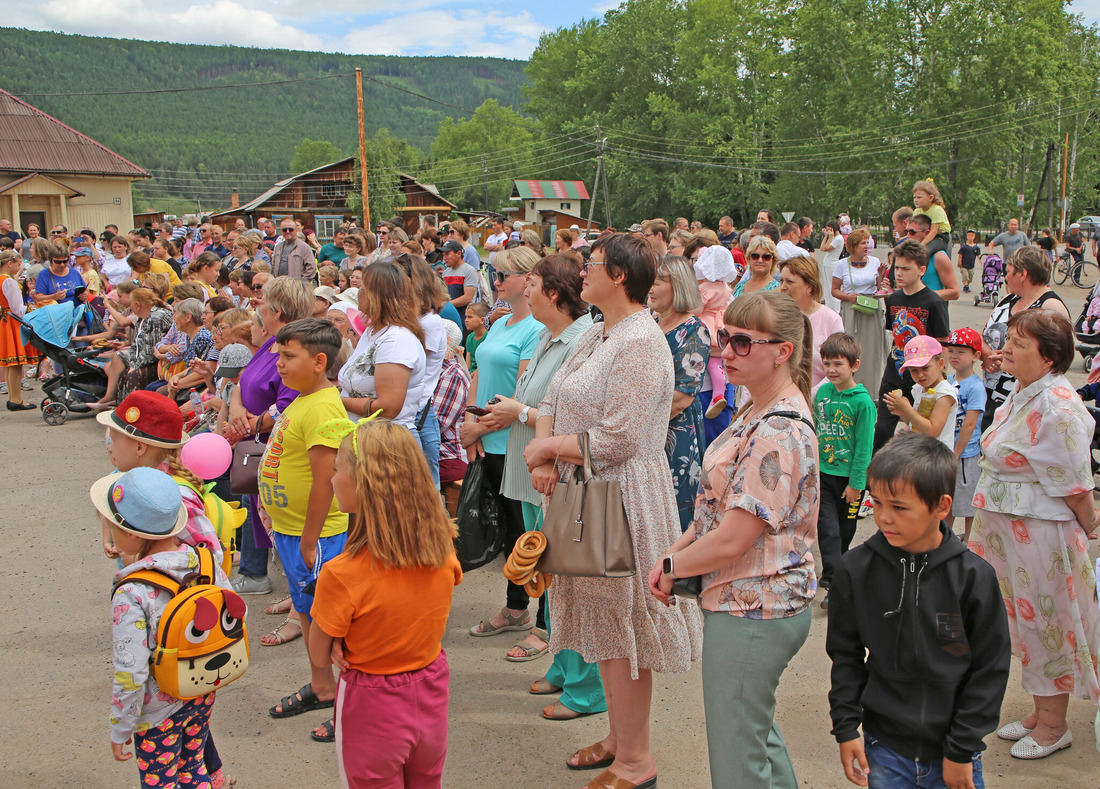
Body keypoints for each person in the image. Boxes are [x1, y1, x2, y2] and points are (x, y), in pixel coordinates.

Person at [527, 234, 701, 788]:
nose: (582, 275)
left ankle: (636, 761)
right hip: (587, 492)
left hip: (621, 495)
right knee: (605, 627)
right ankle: (621, 740)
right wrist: (546, 453)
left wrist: (549, 449)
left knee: (625, 629)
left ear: (621, 275)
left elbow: (620, 437)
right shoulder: (601, 333)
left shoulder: (641, 341)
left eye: (592, 265)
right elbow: (553, 395)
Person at [651, 291, 817, 789]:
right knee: (754, 736)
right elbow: (715, 514)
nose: (727, 350)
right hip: (750, 598)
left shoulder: (775, 429)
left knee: (737, 758)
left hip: (754, 605)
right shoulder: (756, 408)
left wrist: (670, 567)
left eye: (743, 342)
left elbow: (733, 538)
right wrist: (675, 556)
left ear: (782, 350)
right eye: (726, 337)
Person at [827, 432, 1011, 789]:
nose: (883, 518)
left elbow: (990, 668)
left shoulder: (973, 577)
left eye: (898, 507)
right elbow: (845, 654)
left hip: (955, 752)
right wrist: (846, 727)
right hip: (885, 747)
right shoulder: (855, 570)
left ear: (941, 506)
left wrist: (961, 750)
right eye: (876, 502)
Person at [971, 309, 1100, 760]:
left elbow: (1077, 484)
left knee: (1048, 625)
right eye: (1009, 339)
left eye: (1019, 344)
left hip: (1041, 536)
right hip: (1011, 532)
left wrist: (1088, 528)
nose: (1007, 348)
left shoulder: (1060, 405)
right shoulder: (1026, 392)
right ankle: (1040, 709)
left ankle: (1053, 724)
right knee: (1024, 624)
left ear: (1048, 358)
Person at [309, 417, 462, 785]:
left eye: (337, 470)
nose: (331, 479)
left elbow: (318, 652)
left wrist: (334, 645)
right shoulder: (442, 550)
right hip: (431, 686)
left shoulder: (341, 574)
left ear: (365, 484)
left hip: (371, 700)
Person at [481, 254, 600, 715]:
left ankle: (586, 687)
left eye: (531, 283)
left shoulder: (580, 341)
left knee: (569, 582)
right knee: (548, 579)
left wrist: (520, 414)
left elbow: (572, 414)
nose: (523, 291)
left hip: (553, 473)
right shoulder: (550, 336)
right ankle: (563, 667)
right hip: (532, 471)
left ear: (553, 293)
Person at [96, 467, 232, 789]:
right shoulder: (204, 562)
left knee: (162, 781)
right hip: (201, 690)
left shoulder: (132, 592)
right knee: (193, 764)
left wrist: (121, 727)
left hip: (157, 710)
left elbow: (131, 672)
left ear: (131, 535)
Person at [262, 319, 350, 742]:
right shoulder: (301, 400)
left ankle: (351, 704)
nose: (278, 364)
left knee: (331, 623)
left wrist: (312, 539)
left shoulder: (323, 407)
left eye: (287, 356)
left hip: (316, 536)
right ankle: (322, 687)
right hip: (292, 531)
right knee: (308, 613)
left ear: (319, 362)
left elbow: (325, 480)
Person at [462, 246, 544, 641]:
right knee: (509, 535)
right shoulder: (500, 323)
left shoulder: (536, 329)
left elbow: (522, 390)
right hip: (488, 440)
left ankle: (543, 620)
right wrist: (468, 420)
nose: (495, 282)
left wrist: (477, 429)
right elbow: (478, 372)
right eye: (493, 275)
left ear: (527, 279)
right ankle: (516, 608)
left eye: (503, 275)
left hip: (513, 441)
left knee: (528, 533)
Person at [225, 277, 315, 598]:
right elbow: (244, 380)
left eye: (262, 303)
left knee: (282, 523)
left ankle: (299, 598)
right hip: (255, 441)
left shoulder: (294, 347)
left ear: (277, 311)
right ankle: (279, 587)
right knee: (258, 511)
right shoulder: (271, 343)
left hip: (276, 448)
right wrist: (236, 409)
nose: (258, 308)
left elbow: (288, 405)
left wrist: (249, 424)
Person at [814, 332, 875, 609]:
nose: (831, 370)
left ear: (855, 365)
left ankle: (841, 580)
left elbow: (864, 448)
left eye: (838, 364)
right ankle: (834, 583)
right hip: (824, 476)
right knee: (828, 530)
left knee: (844, 533)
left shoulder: (862, 402)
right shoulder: (823, 393)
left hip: (850, 482)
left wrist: (857, 484)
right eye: (827, 364)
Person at [647, 255, 708, 532]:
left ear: (679, 287)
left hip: (674, 433)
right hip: (643, 430)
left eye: (658, 281)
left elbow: (683, 396)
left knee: (674, 514)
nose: (650, 287)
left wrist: (638, 416)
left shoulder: (695, 330)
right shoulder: (649, 323)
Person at [980, 246, 1069, 430]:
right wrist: (987, 354)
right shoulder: (1008, 299)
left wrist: (1008, 358)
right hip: (994, 395)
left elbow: (1060, 358)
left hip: (1028, 401)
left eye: (1009, 271)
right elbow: (983, 334)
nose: (1005, 277)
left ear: (1023, 274)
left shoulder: (1050, 306)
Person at [874, 239, 950, 452]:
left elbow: (942, 342)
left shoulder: (933, 302)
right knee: (881, 430)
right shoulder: (892, 299)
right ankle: (872, 482)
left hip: (923, 380)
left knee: (916, 435)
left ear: (921, 270)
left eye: (906, 268)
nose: (899, 273)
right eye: (896, 267)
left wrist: (940, 379)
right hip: (893, 376)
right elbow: (894, 336)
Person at [338, 263, 427, 434]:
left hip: (386, 440)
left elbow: (388, 408)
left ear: (375, 296)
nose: (359, 293)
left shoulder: (396, 340)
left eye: (363, 288)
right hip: (367, 435)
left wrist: (337, 401)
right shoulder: (373, 332)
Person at [940, 328, 987, 543]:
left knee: (968, 505)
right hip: (947, 450)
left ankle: (969, 545)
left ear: (976, 356)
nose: (954, 356)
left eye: (961, 352)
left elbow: (969, 425)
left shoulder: (976, 387)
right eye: (951, 351)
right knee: (947, 501)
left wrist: (955, 453)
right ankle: (943, 543)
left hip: (966, 455)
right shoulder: (947, 381)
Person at [92, 288, 174, 407]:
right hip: (143, 356)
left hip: (156, 359)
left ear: (137, 305)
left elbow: (151, 349)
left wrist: (135, 366)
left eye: (131, 305)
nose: (130, 309)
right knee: (118, 356)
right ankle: (110, 398)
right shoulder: (142, 318)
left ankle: (126, 408)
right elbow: (137, 344)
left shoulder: (156, 317)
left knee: (131, 374)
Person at [831, 227, 888, 394]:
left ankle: (872, 390)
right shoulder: (842, 264)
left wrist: (881, 277)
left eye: (867, 242)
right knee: (851, 348)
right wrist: (849, 297)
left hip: (871, 309)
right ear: (853, 246)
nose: (867, 245)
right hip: (852, 310)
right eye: (863, 242)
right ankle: (849, 386)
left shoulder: (875, 262)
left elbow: (879, 289)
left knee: (872, 350)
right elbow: (834, 290)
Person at [884, 335, 958, 451]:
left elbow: (933, 431)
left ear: (940, 364)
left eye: (925, 368)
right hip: (921, 452)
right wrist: (903, 413)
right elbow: (917, 424)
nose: (920, 374)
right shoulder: (920, 388)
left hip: (937, 457)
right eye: (914, 370)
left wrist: (907, 408)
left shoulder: (944, 394)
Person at [779, 255, 843, 388]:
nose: (783, 287)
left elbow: (840, 366)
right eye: (781, 281)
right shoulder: (774, 318)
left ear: (810, 287)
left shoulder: (831, 319)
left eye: (789, 282)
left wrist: (812, 395)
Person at [691, 244, 736, 418]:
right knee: (717, 364)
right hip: (720, 326)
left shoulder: (706, 289)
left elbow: (695, 309)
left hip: (707, 325)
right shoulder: (725, 287)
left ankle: (717, 396)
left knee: (709, 361)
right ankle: (719, 393)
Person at [0, 250, 35, 410]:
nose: (18, 267)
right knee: (16, 363)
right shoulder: (9, 281)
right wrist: (30, 308)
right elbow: (17, 308)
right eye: (17, 264)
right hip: (12, 321)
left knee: (10, 364)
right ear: (9, 263)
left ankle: (13, 398)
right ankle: (16, 399)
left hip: (4, 319)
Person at [905, 215, 960, 301]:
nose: (908, 236)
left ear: (926, 233)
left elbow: (954, 292)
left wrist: (923, 296)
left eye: (912, 232)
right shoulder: (906, 257)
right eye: (906, 232)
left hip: (932, 312)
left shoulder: (939, 257)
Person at [441, 239, 479, 333]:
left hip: (464, 320)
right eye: (443, 255)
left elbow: (468, 298)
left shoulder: (469, 270)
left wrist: (445, 305)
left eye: (447, 254)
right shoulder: (445, 272)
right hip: (449, 319)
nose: (444, 258)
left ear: (458, 253)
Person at [911, 179, 952, 257]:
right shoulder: (917, 211)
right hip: (924, 235)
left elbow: (933, 232)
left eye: (919, 197)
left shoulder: (937, 210)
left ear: (930, 198)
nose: (916, 200)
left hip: (940, 237)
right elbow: (914, 229)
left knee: (924, 252)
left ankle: (923, 268)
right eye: (914, 197)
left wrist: (920, 245)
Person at [819, 220, 845, 311]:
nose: (828, 231)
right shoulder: (832, 238)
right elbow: (822, 248)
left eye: (829, 230)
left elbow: (827, 248)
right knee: (826, 286)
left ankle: (835, 308)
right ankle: (829, 306)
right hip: (826, 263)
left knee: (831, 286)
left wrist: (830, 237)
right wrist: (826, 236)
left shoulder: (838, 238)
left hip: (832, 264)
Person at [463, 302, 489, 370]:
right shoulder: (469, 338)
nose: (466, 320)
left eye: (470, 317)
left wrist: (470, 377)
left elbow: (485, 363)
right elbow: (468, 363)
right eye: (466, 317)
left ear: (482, 320)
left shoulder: (488, 337)